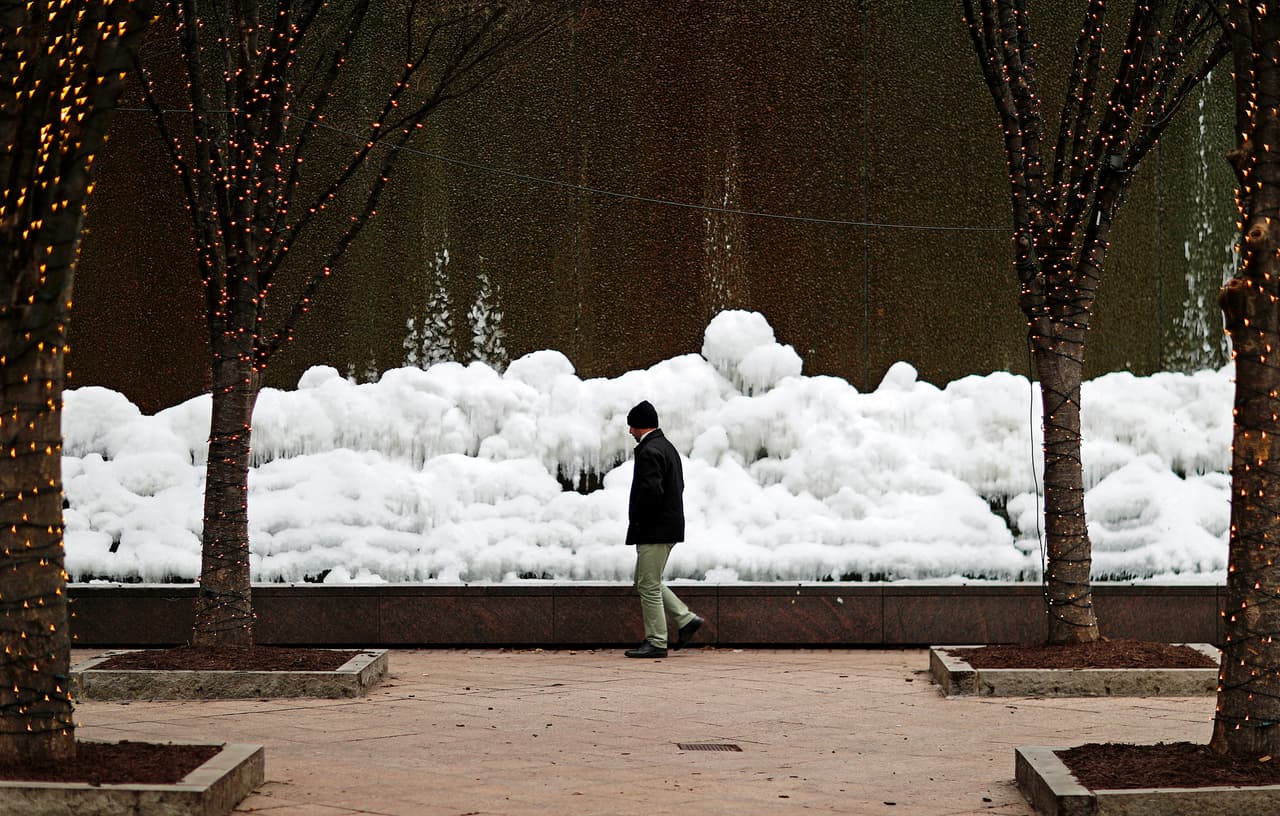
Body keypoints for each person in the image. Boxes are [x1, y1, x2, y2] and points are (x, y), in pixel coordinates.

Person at [623, 400, 703, 658]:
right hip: (666, 527)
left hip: (653, 530)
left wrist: (640, 523)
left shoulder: (649, 451)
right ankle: (686, 619)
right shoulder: (666, 447)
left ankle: (657, 642)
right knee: (646, 581)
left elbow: (651, 493)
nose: (630, 432)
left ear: (638, 426)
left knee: (647, 585)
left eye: (631, 427)